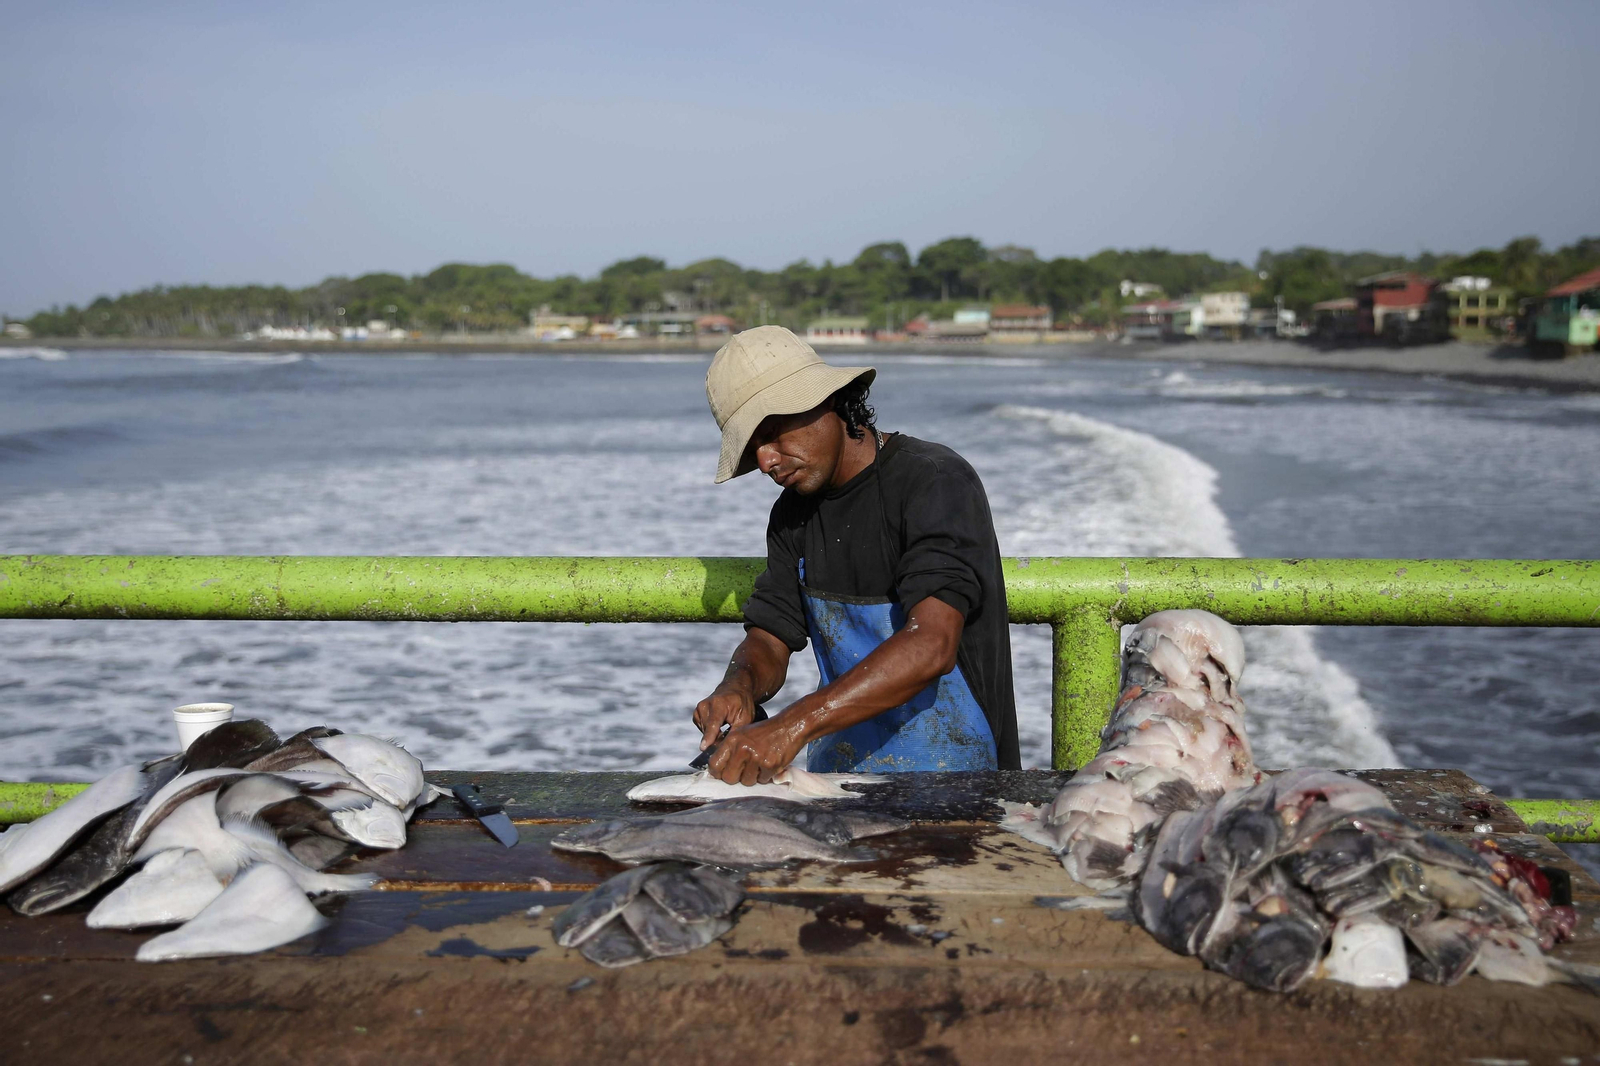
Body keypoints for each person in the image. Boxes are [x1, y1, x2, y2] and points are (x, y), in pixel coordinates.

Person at [693, 325, 1018, 784]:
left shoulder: (934, 482)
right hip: (837, 783)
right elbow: (772, 635)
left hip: (958, 785)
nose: (765, 461)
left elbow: (932, 644)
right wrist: (739, 684)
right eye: (752, 448)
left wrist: (791, 726)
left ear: (826, 400)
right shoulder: (791, 515)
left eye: (772, 433)